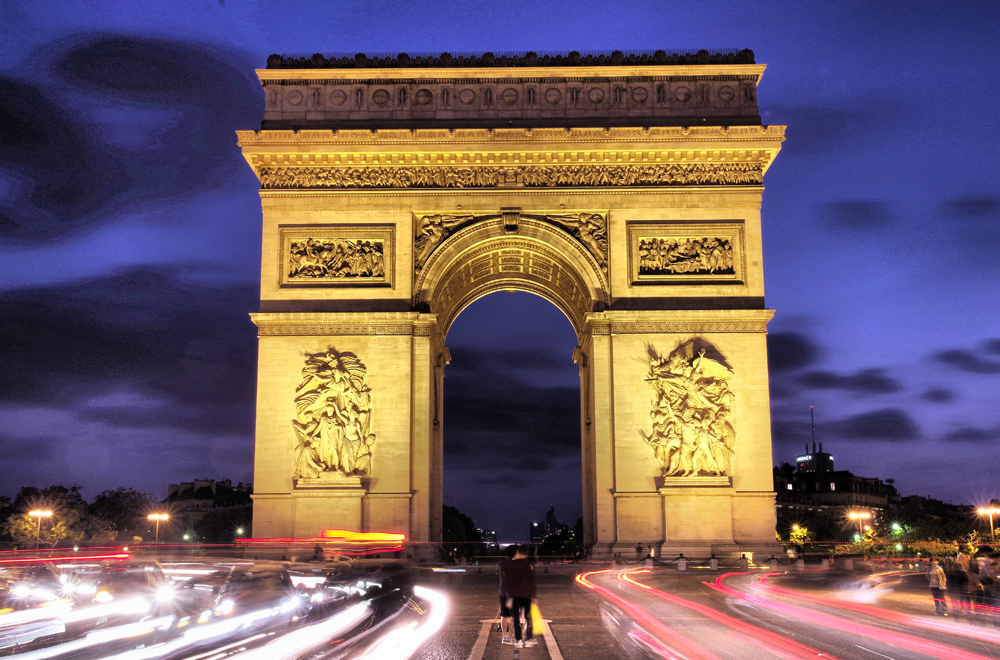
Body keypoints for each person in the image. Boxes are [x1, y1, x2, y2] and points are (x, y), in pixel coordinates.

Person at [504, 545, 538, 648]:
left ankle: (518, 640)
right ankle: (528, 639)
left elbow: (509, 582)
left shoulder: (511, 565)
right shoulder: (528, 564)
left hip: (515, 595)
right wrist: (534, 596)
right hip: (527, 594)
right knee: (528, 617)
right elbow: (532, 581)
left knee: (516, 618)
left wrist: (509, 596)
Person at [495, 545, 516, 644]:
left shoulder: (500, 563)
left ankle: (505, 637)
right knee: (513, 615)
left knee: (504, 615)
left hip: (503, 591)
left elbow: (497, 571)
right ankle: (512, 636)